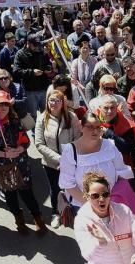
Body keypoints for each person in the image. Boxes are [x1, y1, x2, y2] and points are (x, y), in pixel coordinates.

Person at [0, 90, 48, 236]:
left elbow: (26, 140)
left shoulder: (15, 121)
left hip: (20, 165)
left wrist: (20, 148)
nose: (3, 107)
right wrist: (4, 153)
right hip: (2, 168)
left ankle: (38, 219)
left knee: (27, 194)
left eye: (6, 103)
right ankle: (19, 220)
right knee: (10, 197)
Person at [73, 171, 135, 264]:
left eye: (105, 194)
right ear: (86, 196)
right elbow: (88, 255)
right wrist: (101, 242)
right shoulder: (82, 220)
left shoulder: (123, 210)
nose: (101, 199)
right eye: (95, 196)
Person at [59, 112, 134, 210]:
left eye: (98, 127)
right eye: (90, 127)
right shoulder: (70, 151)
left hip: (111, 203)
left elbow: (122, 172)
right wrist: (92, 206)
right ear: (81, 127)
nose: (95, 131)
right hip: (84, 206)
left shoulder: (109, 145)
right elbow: (68, 184)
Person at [35, 88, 83, 227]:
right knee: (55, 188)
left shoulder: (72, 117)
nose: (54, 103)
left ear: (63, 102)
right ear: (47, 101)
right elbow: (39, 144)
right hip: (51, 163)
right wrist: (59, 159)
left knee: (72, 187)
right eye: (51, 100)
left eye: (58, 100)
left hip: (71, 161)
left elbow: (77, 138)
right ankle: (56, 213)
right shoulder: (42, 118)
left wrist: (68, 159)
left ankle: (73, 211)